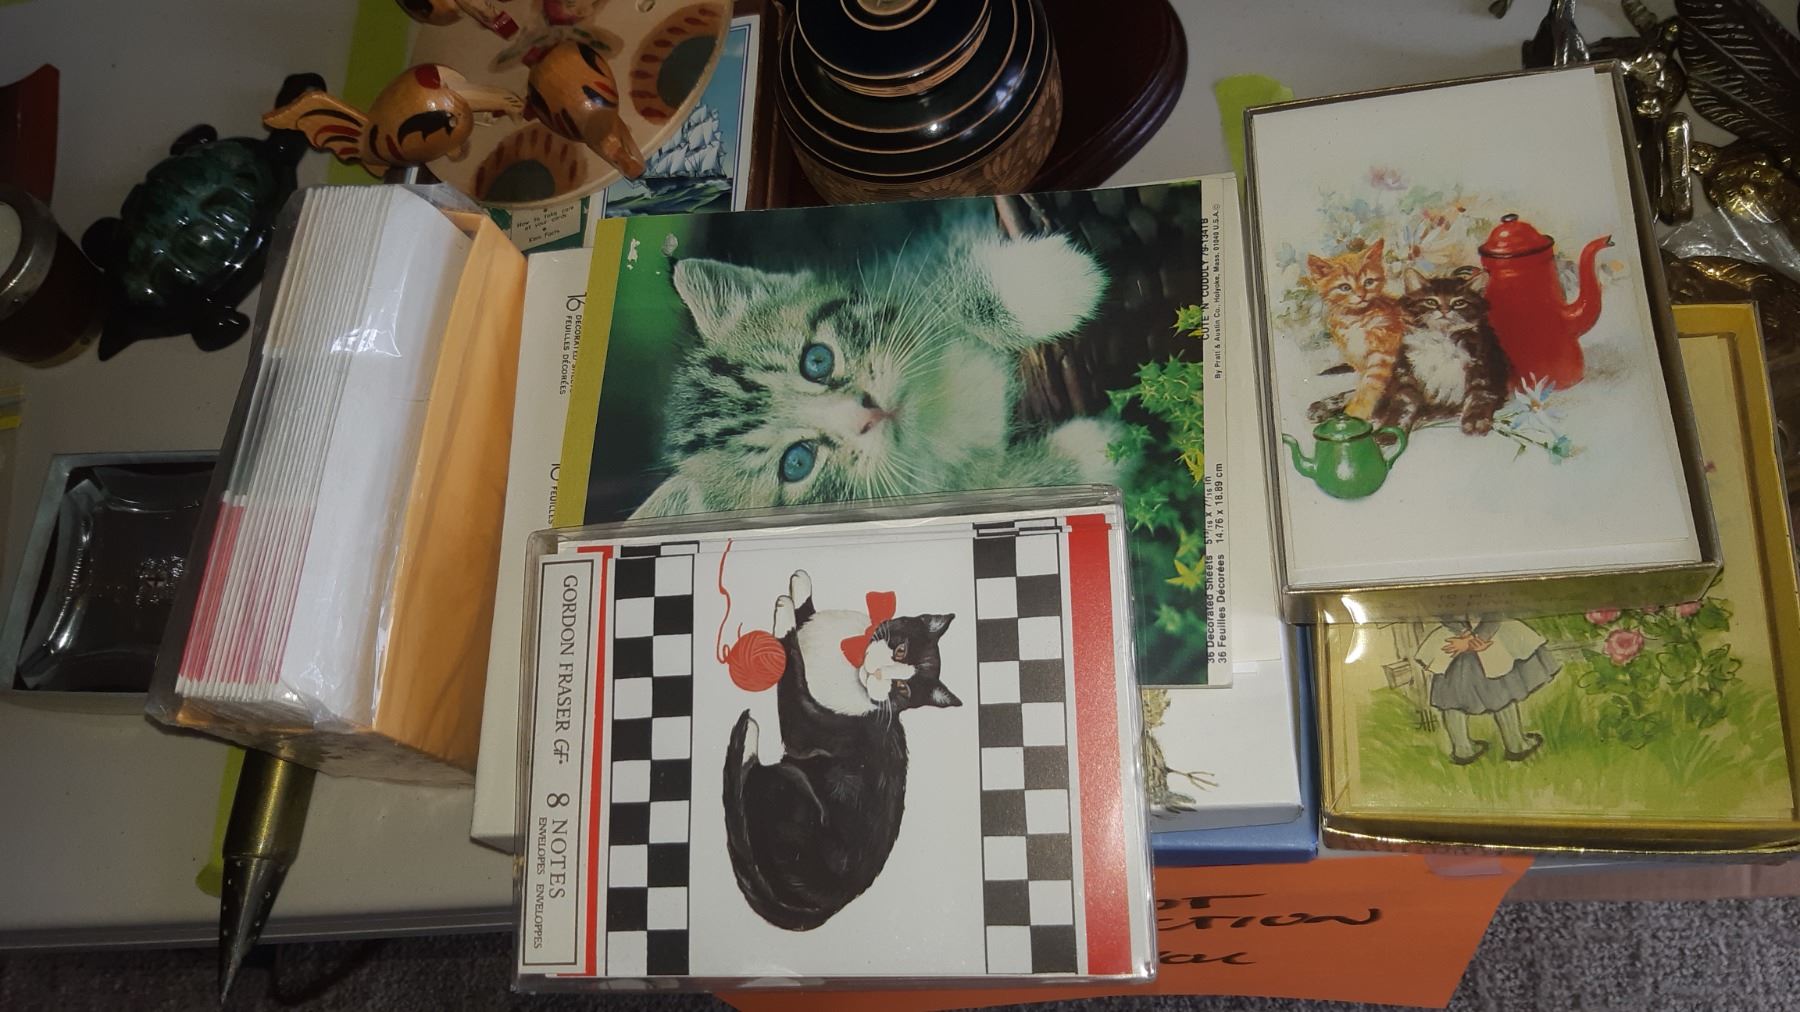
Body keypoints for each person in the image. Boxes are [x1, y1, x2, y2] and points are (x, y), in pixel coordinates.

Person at [1415, 617, 1561, 764]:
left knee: (1453, 690)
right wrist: (1474, 637)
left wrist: (1466, 635)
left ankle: (1463, 749)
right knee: (1499, 687)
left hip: (1462, 635)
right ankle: (1515, 744)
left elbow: (1445, 613)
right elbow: (1494, 610)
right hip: (1480, 634)